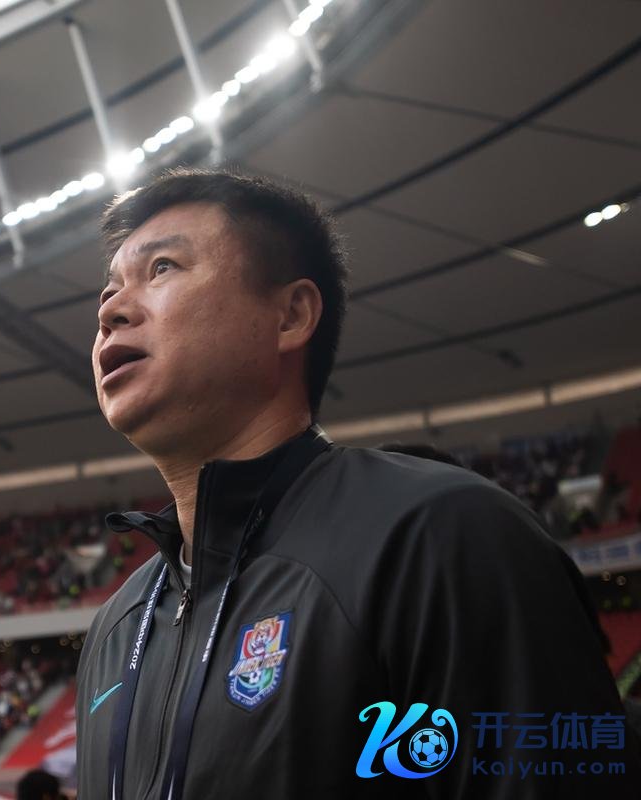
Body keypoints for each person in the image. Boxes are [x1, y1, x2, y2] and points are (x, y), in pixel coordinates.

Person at [75, 167, 640, 798]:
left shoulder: (438, 537)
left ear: (291, 315)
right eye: (108, 292)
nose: (111, 312)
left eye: (162, 269)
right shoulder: (117, 626)